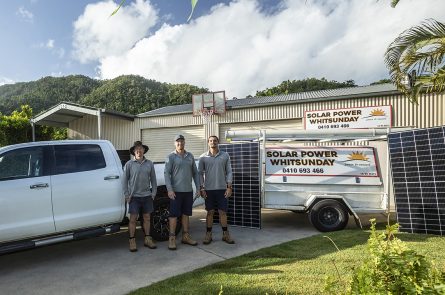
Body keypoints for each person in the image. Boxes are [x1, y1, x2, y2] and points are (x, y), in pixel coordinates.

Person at [164, 134, 200, 250]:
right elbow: (166, 174)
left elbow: (195, 173)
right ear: (175, 143)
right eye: (178, 142)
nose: (180, 143)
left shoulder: (190, 156)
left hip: (188, 191)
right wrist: (169, 189)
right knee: (173, 215)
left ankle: (185, 236)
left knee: (186, 214)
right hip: (175, 192)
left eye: (182, 141)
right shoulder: (171, 157)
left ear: (184, 142)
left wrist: (198, 188)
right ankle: (172, 238)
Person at [198, 135, 235, 245]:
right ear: (208, 143)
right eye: (210, 141)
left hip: (222, 189)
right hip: (208, 190)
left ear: (218, 142)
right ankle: (208, 235)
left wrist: (229, 187)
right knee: (210, 212)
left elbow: (229, 171)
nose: (213, 142)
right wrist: (201, 188)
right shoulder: (203, 157)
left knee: (222, 212)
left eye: (215, 140)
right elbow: (199, 173)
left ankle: (225, 234)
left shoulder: (225, 155)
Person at [122, 141, 157, 252]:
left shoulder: (149, 164)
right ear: (133, 151)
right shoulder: (129, 164)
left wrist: (153, 193)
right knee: (133, 219)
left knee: (147, 218)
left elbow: (154, 180)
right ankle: (132, 240)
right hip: (134, 197)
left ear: (143, 150)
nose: (139, 150)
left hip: (147, 196)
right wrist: (127, 195)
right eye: (137, 149)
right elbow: (124, 181)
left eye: (141, 148)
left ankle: (147, 239)